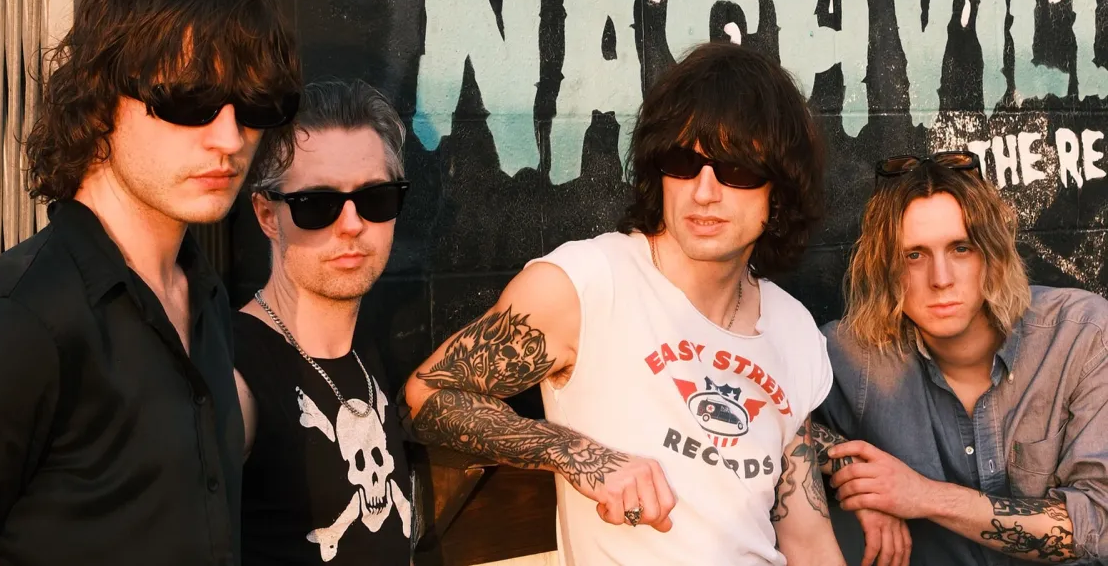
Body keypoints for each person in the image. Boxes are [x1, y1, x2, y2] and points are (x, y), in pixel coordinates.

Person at [0, 0, 301, 565]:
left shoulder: (203, 297)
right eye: (190, 98)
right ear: (100, 101)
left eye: (253, 105)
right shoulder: (16, 324)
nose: (229, 138)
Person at [403, 41, 847, 565]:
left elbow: (808, 541)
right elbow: (427, 395)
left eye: (738, 170)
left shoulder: (793, 329)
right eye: (684, 162)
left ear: (779, 190)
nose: (704, 192)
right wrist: (578, 455)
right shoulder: (587, 283)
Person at [814, 152, 1108, 565]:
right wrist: (863, 482)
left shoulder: (1082, 336)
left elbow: (1098, 528)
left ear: (993, 253)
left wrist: (921, 496)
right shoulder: (854, 355)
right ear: (885, 269)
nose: (941, 279)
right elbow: (772, 425)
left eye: (961, 248)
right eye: (914, 255)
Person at [232, 80, 414, 565]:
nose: (352, 224)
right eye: (316, 205)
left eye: (376, 198)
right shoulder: (235, 377)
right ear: (267, 215)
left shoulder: (364, 353)